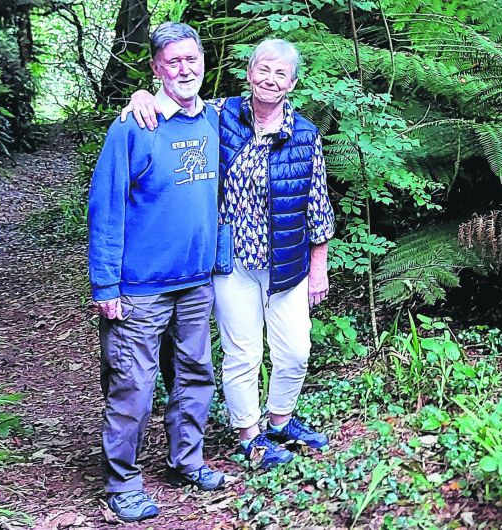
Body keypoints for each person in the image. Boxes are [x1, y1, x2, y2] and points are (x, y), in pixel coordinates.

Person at [121, 38, 335, 470]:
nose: (270, 80)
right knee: (243, 352)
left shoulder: (305, 135)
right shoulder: (220, 115)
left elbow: (318, 205)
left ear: (292, 83)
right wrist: (142, 95)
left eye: (281, 74)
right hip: (232, 262)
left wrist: (319, 269)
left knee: (295, 350)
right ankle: (250, 435)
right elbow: (174, 103)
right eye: (263, 70)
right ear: (250, 72)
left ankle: (281, 419)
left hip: (287, 261)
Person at [88, 22, 225, 523]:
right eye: (173, 62)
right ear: (156, 68)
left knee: (194, 375)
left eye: (192, 59)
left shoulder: (215, 120)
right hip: (139, 288)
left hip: (195, 282)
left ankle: (186, 461)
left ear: (204, 63)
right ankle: (122, 483)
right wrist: (105, 283)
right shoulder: (133, 127)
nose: (185, 69)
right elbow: (105, 208)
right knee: (133, 387)